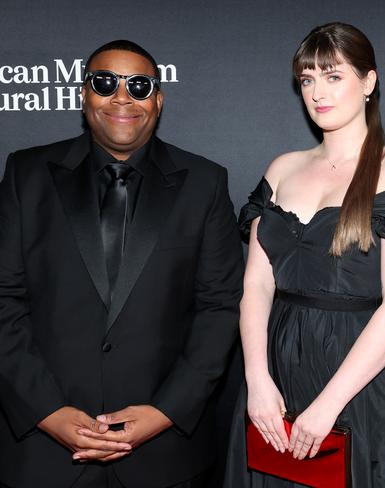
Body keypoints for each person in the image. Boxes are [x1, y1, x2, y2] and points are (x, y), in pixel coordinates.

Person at [0, 40, 243, 487]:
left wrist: (165, 411)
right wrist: (47, 412)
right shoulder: (25, 174)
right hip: (43, 453)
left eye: (139, 85)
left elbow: (220, 308)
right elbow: (4, 300)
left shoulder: (205, 183)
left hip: (165, 455)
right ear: (83, 94)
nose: (122, 97)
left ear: (158, 99)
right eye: (105, 82)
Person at [224, 22, 385, 487]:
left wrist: (328, 404)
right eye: (307, 79)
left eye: (333, 76)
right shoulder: (282, 168)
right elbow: (256, 285)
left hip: (361, 378)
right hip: (277, 369)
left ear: (368, 82)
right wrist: (257, 381)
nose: (317, 93)